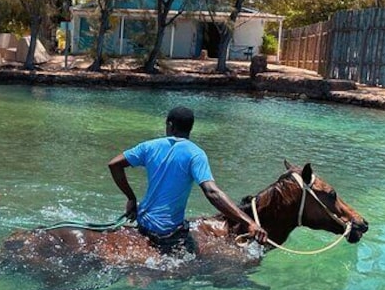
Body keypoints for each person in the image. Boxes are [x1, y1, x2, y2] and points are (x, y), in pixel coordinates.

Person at [108, 106, 267, 256]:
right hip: (168, 232)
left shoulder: (149, 147)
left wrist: (131, 197)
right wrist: (249, 222)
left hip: (142, 223)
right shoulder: (195, 154)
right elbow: (212, 192)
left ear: (170, 125)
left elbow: (114, 164)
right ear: (190, 128)